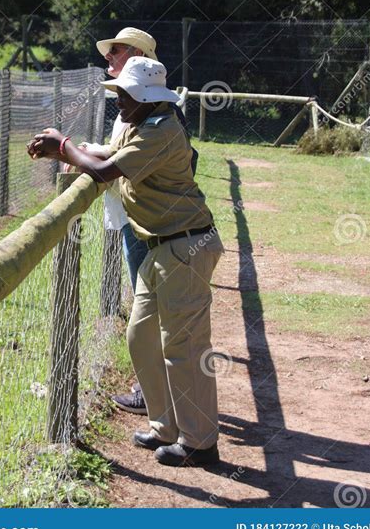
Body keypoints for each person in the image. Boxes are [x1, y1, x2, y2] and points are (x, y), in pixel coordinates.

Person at [27, 56, 223, 467]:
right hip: (161, 246)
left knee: (184, 348)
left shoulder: (161, 131)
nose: (119, 100)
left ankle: (200, 442)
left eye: (125, 95)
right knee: (141, 337)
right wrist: (71, 150)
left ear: (147, 98)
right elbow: (105, 156)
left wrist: (62, 147)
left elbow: (102, 170)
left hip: (183, 247)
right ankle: (165, 426)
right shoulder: (144, 123)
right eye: (118, 93)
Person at [76, 27, 197, 416]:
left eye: (117, 51)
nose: (108, 58)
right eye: (109, 52)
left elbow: (118, 165)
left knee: (153, 315)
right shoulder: (141, 107)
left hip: (148, 224)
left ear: (140, 56)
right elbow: (118, 154)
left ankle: (156, 396)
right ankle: (158, 394)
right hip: (139, 219)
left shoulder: (157, 116)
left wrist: (68, 151)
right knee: (150, 311)